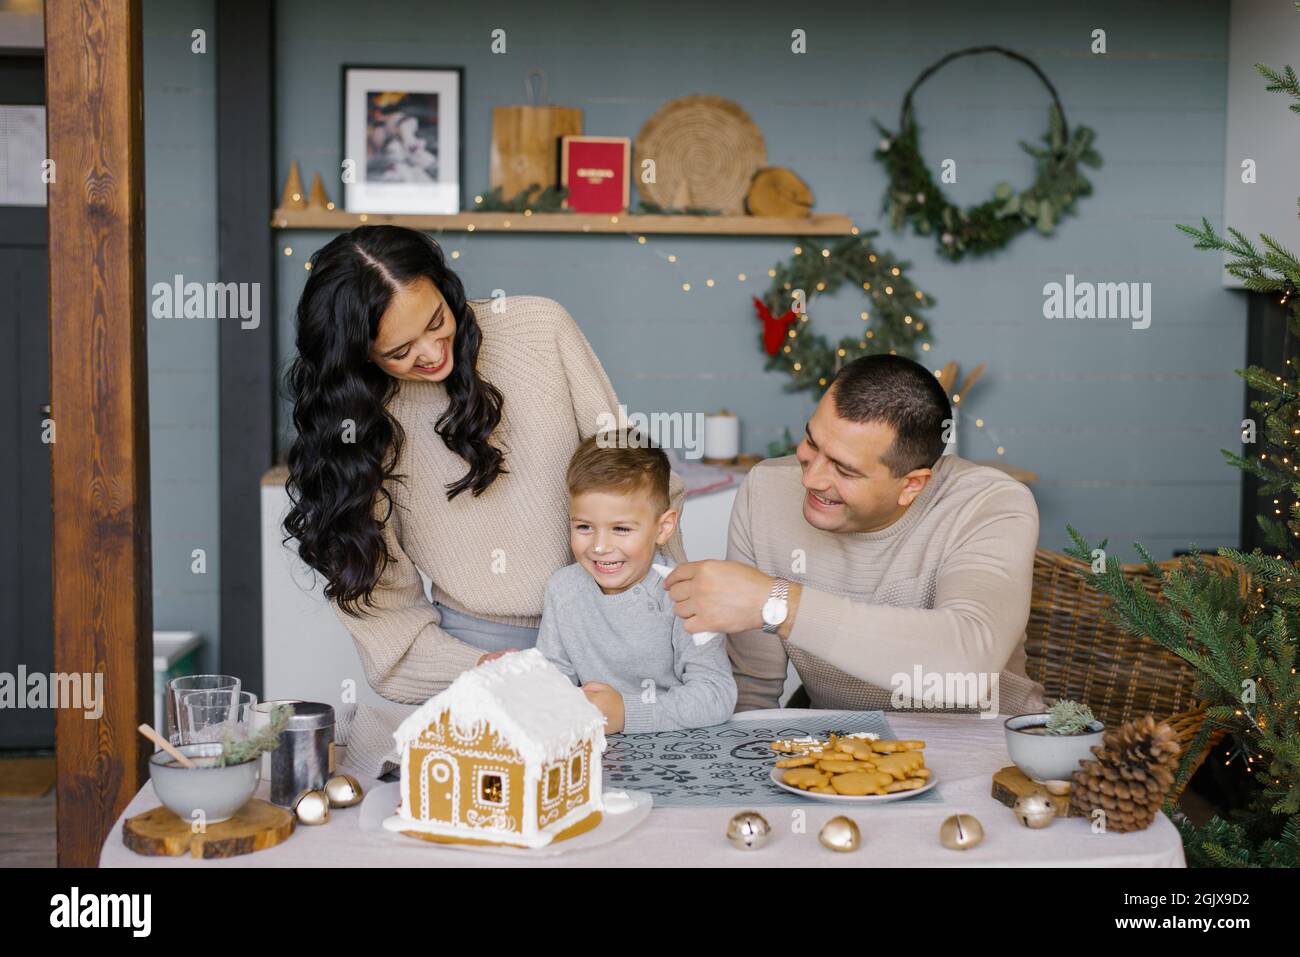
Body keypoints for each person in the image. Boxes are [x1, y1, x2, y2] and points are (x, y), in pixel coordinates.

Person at [282, 226, 686, 774]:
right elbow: (389, 624)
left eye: (436, 322)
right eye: (399, 351)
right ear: (356, 357)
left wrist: (672, 619)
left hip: (614, 633)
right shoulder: (356, 431)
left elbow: (637, 483)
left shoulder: (540, 330)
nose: (430, 353)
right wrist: (486, 669)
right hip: (488, 663)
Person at [663, 354, 1046, 716]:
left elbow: (968, 663)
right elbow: (752, 689)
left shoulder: (990, 504)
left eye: (845, 470)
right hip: (839, 753)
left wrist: (777, 603)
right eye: (812, 442)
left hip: (991, 749)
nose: (810, 480)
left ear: (912, 484)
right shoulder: (765, 490)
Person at [534, 432, 737, 732]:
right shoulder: (562, 590)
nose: (600, 546)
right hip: (596, 752)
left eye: (621, 529)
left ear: (663, 528)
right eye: (584, 526)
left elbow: (716, 694)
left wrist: (626, 714)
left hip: (676, 751)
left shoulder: (686, 594)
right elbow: (552, 681)